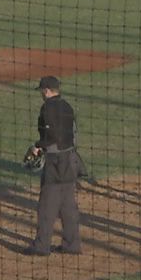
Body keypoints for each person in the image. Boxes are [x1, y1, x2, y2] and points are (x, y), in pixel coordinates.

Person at [23, 76, 84, 256]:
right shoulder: (67, 106)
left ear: (47, 90)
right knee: (68, 206)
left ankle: (41, 247)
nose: (42, 94)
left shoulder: (48, 108)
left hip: (56, 163)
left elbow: (52, 136)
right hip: (71, 160)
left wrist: (38, 146)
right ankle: (72, 245)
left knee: (46, 207)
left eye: (42, 91)